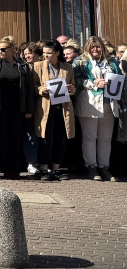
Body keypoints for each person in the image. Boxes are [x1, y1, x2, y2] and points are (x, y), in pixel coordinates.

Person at [0, 38, 35, 179]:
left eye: (3, 49)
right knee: (3, 138)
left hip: (18, 108)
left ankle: (16, 168)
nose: (0, 52)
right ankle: (5, 168)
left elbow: (29, 89)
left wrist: (30, 109)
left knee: (17, 138)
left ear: (12, 49)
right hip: (0, 108)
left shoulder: (22, 66)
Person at [74, 36, 119, 182]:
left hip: (109, 103)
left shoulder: (112, 62)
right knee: (89, 137)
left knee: (106, 138)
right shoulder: (80, 61)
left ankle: (104, 167)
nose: (95, 49)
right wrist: (93, 82)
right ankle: (91, 166)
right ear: (87, 47)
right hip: (89, 102)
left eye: (98, 46)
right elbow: (75, 79)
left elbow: (119, 79)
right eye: (92, 47)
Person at [30, 41, 76, 181]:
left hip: (62, 108)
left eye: (49, 53)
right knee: (45, 138)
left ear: (57, 53)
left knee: (61, 138)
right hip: (45, 107)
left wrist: (72, 90)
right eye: (44, 53)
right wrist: (41, 90)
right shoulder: (37, 66)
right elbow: (33, 85)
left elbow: (73, 86)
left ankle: (55, 169)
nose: (45, 55)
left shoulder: (68, 67)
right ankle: (44, 169)